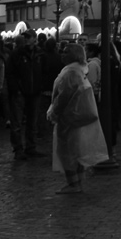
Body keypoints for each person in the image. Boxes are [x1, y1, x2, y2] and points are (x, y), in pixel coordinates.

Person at [46, 44, 108, 194]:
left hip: (69, 117)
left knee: (68, 150)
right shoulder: (78, 71)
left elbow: (64, 95)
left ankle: (73, 183)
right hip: (76, 116)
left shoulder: (70, 73)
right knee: (76, 149)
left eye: (65, 52)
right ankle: (77, 181)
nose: (62, 54)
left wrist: (54, 111)